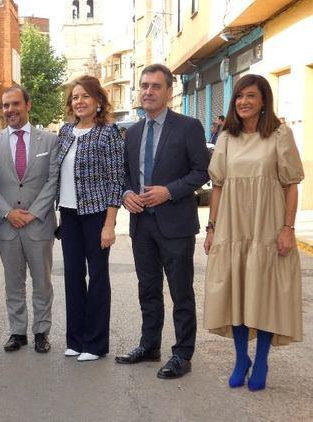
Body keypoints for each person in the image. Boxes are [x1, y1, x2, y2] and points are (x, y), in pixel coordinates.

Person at [203, 74, 304, 391]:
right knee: (235, 291)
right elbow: (218, 186)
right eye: (239, 96)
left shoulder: (279, 134)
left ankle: (260, 360)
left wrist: (288, 229)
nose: (243, 101)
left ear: (263, 102)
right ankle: (240, 358)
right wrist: (212, 228)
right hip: (233, 229)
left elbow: (291, 186)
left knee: (261, 294)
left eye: (251, 96)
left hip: (267, 227)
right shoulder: (226, 138)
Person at [116, 64, 210, 379]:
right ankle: (149, 345)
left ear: (169, 92)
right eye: (144, 85)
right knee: (148, 289)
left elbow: (201, 172)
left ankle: (182, 353)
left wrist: (168, 192)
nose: (149, 91)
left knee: (181, 290)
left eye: (156, 86)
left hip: (176, 225)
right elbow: (125, 175)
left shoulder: (188, 126)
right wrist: (127, 193)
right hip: (141, 224)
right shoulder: (133, 132)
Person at [55, 76, 124, 362]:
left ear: (97, 101)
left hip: (96, 215)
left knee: (97, 277)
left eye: (85, 96)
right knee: (72, 276)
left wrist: (110, 224)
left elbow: (115, 180)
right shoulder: (65, 132)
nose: (79, 102)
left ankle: (95, 344)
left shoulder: (108, 133)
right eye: (74, 97)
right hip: (69, 214)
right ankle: (76, 339)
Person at [0, 86, 58, 354]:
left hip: (38, 224)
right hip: (7, 225)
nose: (10, 110)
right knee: (13, 282)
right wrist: (7, 212)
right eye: (6, 106)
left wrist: (32, 213)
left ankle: (42, 331)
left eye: (15, 104)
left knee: (42, 282)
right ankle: (17, 332)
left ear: (27, 105)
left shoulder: (49, 141)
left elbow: (53, 180)